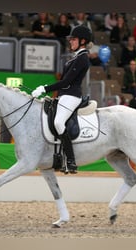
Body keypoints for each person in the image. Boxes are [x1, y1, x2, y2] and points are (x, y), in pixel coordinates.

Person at [31, 25, 92, 174]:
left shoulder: (83, 59)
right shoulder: (75, 58)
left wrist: (44, 89)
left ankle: (71, 160)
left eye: (74, 39)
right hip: (64, 96)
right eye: (70, 39)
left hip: (72, 95)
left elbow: (66, 82)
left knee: (58, 122)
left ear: (83, 41)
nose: (70, 42)